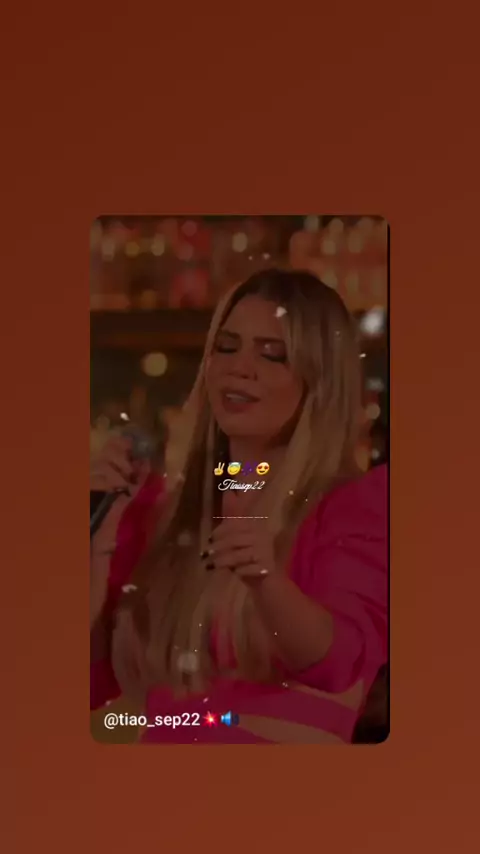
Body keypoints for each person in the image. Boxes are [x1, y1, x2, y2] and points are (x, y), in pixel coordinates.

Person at [90, 269, 388, 744]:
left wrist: (266, 582)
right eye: (226, 348)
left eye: (272, 354)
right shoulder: (166, 511)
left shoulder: (352, 506)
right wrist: (96, 543)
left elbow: (337, 662)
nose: (240, 367)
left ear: (320, 381)